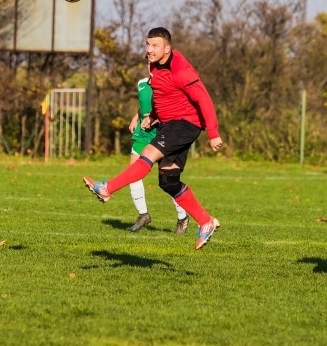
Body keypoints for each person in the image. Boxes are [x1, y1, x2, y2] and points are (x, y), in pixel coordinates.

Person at [83, 27, 223, 250]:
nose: (149, 50)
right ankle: (205, 221)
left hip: (185, 124)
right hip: (170, 124)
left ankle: (107, 188)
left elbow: (204, 99)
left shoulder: (182, 71)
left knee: (147, 153)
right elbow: (163, 94)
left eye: (155, 45)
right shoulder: (155, 67)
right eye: (148, 44)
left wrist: (213, 133)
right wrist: (154, 116)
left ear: (167, 48)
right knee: (168, 180)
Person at [127, 75, 190, 234]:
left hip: (163, 134)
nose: (151, 65)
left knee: (168, 180)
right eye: (148, 61)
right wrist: (136, 118)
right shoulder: (141, 83)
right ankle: (143, 214)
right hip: (143, 135)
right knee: (132, 174)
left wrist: (157, 118)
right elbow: (143, 106)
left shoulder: (169, 83)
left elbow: (174, 107)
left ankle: (182, 217)